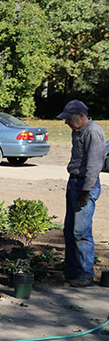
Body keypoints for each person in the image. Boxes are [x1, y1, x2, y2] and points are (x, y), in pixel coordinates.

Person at [56, 100, 105, 287]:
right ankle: (72, 270)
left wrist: (86, 191)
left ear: (81, 116)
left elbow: (94, 165)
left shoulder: (93, 132)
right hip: (74, 182)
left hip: (85, 185)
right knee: (69, 230)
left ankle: (85, 274)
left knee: (81, 231)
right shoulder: (77, 131)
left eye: (69, 119)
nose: (66, 123)